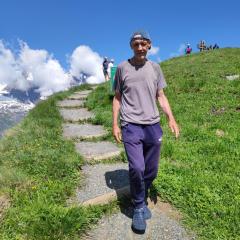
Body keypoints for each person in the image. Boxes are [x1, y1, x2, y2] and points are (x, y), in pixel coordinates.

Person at [112, 30, 180, 233]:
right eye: (135, 44)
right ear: (131, 47)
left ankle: (141, 189)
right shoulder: (123, 68)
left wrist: (171, 118)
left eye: (143, 44)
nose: (140, 47)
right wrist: (115, 124)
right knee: (137, 168)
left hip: (153, 124)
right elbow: (117, 98)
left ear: (149, 45)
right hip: (130, 124)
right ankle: (139, 206)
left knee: (151, 170)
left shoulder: (155, 68)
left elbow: (161, 95)